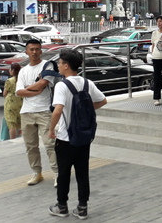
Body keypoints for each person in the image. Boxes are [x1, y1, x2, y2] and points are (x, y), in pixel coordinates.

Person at [47, 50, 107, 219]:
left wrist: (52, 129)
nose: (58, 65)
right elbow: (102, 100)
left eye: (59, 63)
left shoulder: (62, 85)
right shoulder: (87, 83)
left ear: (66, 65)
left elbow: (58, 110)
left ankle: (62, 206)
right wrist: (85, 112)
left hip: (66, 138)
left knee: (64, 173)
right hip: (83, 136)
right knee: (82, 173)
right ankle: (82, 207)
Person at [15, 39, 59, 187]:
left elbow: (43, 83)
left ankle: (58, 173)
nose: (34, 52)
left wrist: (28, 89)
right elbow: (18, 92)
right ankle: (37, 173)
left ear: (41, 51)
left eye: (37, 49)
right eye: (31, 49)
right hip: (26, 112)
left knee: (49, 144)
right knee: (30, 146)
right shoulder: (23, 70)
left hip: (44, 111)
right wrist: (35, 90)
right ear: (26, 51)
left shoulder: (48, 65)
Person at [3, 64, 24, 139]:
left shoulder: (10, 81)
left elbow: (4, 93)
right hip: (20, 101)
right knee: (19, 120)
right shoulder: (22, 79)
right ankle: (21, 136)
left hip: (11, 102)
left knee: (11, 123)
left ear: (13, 71)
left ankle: (13, 139)